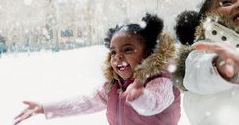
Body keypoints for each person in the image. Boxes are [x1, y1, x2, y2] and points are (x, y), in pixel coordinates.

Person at [14, 13, 181, 125]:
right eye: (113, 52)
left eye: (127, 49)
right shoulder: (113, 87)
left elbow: (155, 103)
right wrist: (45, 108)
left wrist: (140, 97)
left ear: (148, 54)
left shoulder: (161, 80)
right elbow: (85, 102)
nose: (117, 57)